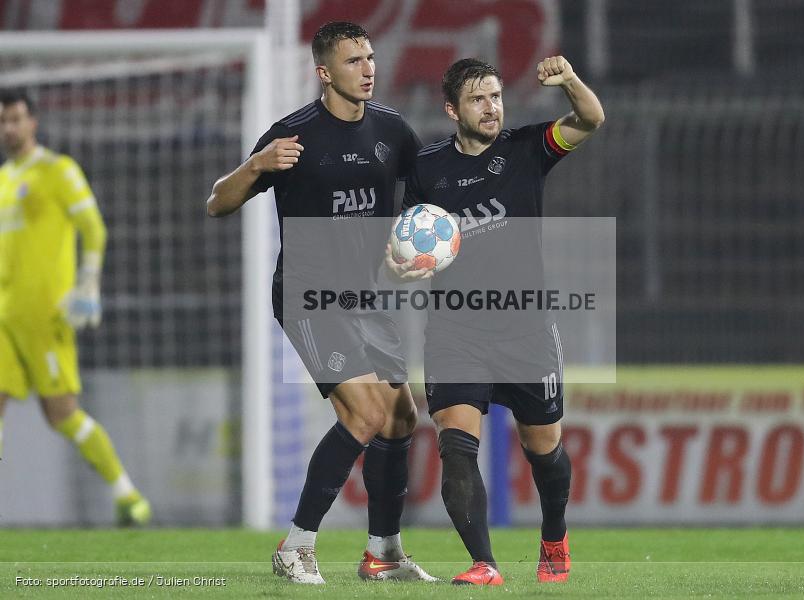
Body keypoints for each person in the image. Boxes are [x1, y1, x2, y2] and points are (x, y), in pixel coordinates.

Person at [206, 22, 435, 585]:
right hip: (309, 295)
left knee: (401, 417)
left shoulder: (392, 131)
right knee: (365, 415)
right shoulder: (294, 136)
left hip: (366, 296)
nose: (368, 69)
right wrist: (256, 165)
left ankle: (383, 555)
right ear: (325, 72)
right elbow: (217, 203)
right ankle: (296, 547)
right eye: (354, 60)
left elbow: (427, 196)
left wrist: (422, 240)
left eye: (370, 57)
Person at [389, 57, 604, 584]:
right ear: (452, 109)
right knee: (455, 444)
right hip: (456, 333)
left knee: (544, 449)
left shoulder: (528, 148)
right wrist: (403, 267)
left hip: (526, 330)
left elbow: (591, 119)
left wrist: (569, 81)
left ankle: (554, 535)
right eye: (478, 99)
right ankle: (484, 564)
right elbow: (406, 243)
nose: (491, 108)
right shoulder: (427, 168)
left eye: (496, 96)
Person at [0, 90, 151, 526]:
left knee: (61, 414)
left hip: (46, 316)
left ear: (33, 122)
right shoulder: (4, 179)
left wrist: (88, 281)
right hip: (4, 314)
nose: (8, 128)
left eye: (15, 119)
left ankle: (126, 495)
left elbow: (93, 227)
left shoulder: (58, 169)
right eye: (2, 121)